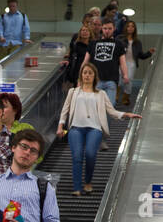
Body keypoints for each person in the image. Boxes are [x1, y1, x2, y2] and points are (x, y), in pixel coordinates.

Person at [57, 62, 141, 196]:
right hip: (75, 128)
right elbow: (65, 111)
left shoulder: (101, 94)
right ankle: (77, 187)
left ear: (95, 76)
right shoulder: (73, 92)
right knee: (77, 156)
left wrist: (126, 114)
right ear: (81, 75)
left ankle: (88, 182)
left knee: (90, 154)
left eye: (90, 73)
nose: (87, 75)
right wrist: (60, 126)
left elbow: (111, 111)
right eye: (85, 73)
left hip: (94, 128)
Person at [81, 17, 128, 147]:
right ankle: (95, 136)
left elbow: (122, 62)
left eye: (110, 28)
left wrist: (125, 74)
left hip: (111, 81)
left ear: (114, 29)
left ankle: (102, 136)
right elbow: (86, 62)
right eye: (105, 28)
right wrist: (80, 77)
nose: (107, 31)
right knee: (93, 108)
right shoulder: (93, 44)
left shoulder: (119, 44)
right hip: (96, 81)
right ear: (102, 28)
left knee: (109, 107)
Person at [118, 19, 155, 105]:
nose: (130, 28)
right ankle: (115, 97)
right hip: (120, 62)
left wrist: (149, 52)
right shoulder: (120, 39)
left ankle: (125, 98)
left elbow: (141, 55)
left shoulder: (137, 42)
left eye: (132, 26)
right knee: (118, 79)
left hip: (132, 63)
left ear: (134, 29)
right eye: (128, 26)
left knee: (129, 80)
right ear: (126, 28)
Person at [61, 19, 93, 88]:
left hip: (89, 72)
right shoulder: (76, 45)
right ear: (80, 33)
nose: (84, 32)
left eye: (87, 30)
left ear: (90, 33)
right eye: (83, 30)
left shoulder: (92, 45)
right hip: (77, 72)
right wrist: (67, 61)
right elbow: (71, 58)